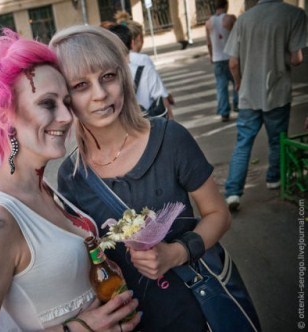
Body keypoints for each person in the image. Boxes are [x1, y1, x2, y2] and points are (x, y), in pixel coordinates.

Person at [0, 30, 141, 332]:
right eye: (47, 104)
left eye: (66, 101)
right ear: (3, 119)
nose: (66, 116)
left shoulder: (42, 187)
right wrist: (78, 329)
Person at [50, 25, 232, 331]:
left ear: (123, 76)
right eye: (81, 85)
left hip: (194, 308)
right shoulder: (72, 176)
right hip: (131, 321)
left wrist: (177, 253)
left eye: (108, 76)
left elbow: (219, 214)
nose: (100, 94)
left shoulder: (170, 138)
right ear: (65, 97)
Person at [223, 0, 307, 211]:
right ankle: (274, 179)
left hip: (249, 94)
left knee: (243, 143)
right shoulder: (294, 14)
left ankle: (233, 193)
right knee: (277, 140)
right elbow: (297, 58)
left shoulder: (243, 20)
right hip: (277, 92)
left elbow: (232, 63)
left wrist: (239, 82)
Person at [108, 23, 174, 119]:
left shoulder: (107, 77)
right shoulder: (147, 71)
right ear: (132, 43)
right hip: (148, 126)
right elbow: (163, 102)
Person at [205, 0, 238, 122]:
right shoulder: (231, 19)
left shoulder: (208, 23)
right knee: (236, 82)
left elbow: (209, 43)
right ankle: (238, 105)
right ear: (226, 5)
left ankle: (224, 112)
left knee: (221, 86)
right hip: (231, 56)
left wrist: (211, 56)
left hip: (218, 59)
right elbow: (238, 37)